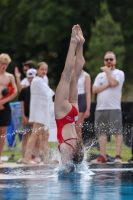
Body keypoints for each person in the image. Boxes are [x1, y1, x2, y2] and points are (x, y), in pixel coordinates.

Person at [54, 24, 85, 171]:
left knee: (75, 77)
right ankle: (74, 42)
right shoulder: (68, 150)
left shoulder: (78, 150)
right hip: (63, 114)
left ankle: (80, 44)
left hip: (74, 114)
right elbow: (66, 171)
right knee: (66, 76)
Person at [92, 51, 125, 163]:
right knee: (101, 132)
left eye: (111, 59)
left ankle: (117, 155)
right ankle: (103, 155)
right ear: (104, 61)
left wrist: (108, 73)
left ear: (115, 60)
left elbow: (114, 83)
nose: (109, 61)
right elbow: (94, 90)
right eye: (106, 59)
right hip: (100, 108)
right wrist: (107, 83)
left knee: (117, 132)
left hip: (114, 107)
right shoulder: (99, 75)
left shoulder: (119, 73)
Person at [23, 62, 55, 164]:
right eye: (42, 69)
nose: (44, 71)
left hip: (44, 111)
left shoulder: (44, 80)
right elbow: (49, 92)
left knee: (45, 135)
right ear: (37, 70)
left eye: (46, 69)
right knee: (35, 134)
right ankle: (26, 158)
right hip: (39, 113)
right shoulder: (37, 80)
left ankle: (46, 159)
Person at [0, 53, 18, 164]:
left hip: (4, 105)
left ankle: (0, 155)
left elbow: (15, 91)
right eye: (2, 63)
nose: (4, 66)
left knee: (3, 132)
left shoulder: (9, 76)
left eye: (6, 64)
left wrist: (3, 101)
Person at [17, 68, 37, 164]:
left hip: (35, 117)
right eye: (29, 78)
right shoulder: (24, 90)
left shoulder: (38, 90)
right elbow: (22, 104)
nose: (31, 79)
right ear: (28, 79)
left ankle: (35, 156)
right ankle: (24, 155)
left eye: (33, 78)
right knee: (25, 136)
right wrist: (24, 116)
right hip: (27, 116)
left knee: (36, 136)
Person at [76, 57, 91, 138]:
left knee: (78, 127)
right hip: (72, 100)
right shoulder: (71, 74)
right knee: (71, 127)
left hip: (81, 99)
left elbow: (88, 93)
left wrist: (88, 109)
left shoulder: (86, 76)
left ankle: (79, 149)